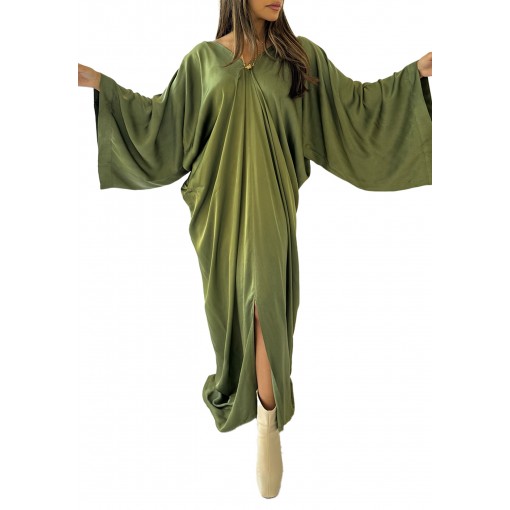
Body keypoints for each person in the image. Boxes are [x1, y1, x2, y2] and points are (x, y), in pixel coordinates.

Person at [78, 0, 432, 499]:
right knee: (236, 312)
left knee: (264, 301)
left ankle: (269, 423)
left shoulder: (298, 60)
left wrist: (414, 78)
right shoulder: (202, 61)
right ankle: (262, 409)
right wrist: (102, 87)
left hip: (272, 204)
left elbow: (357, 107)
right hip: (218, 210)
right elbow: (161, 121)